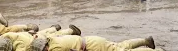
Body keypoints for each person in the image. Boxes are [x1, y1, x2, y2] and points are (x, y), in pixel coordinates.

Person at [0, 25, 81, 51]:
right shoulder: (1, 40)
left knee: (55, 36)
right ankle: (54, 27)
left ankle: (71, 31)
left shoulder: (21, 45)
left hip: (37, 40)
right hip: (29, 34)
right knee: (47, 32)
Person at [30, 35, 163, 51]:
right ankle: (145, 41)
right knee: (120, 46)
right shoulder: (51, 39)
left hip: (92, 46)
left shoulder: (56, 48)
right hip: (91, 40)